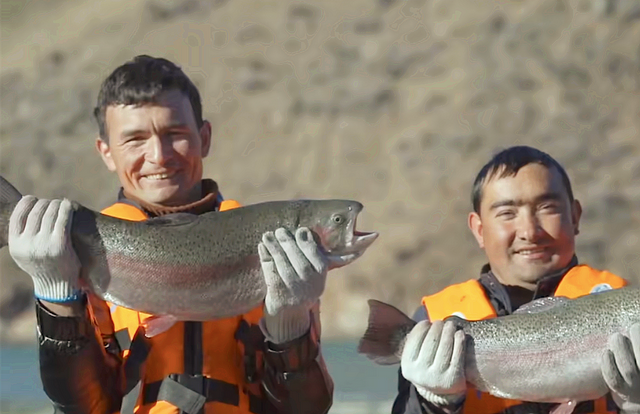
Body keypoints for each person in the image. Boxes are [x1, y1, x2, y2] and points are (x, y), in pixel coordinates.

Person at [7, 55, 335, 414]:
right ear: (106, 153)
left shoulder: (277, 248)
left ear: (204, 138)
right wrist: (58, 296)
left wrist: (290, 328)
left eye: (174, 135)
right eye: (134, 140)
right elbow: (80, 407)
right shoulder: (75, 251)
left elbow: (308, 409)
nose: (158, 156)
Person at [391, 145, 640, 414]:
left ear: (575, 216)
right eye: (507, 213)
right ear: (479, 229)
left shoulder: (624, 299)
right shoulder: (431, 321)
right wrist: (433, 404)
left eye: (547, 207)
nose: (529, 232)